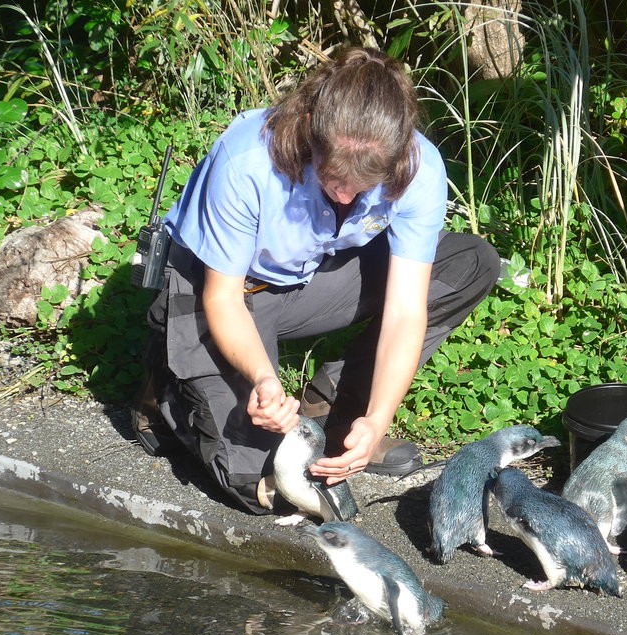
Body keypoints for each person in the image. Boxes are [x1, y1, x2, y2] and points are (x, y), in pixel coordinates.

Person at [133, 47, 499, 514]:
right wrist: (264, 380)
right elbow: (221, 297)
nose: (345, 193)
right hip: (223, 291)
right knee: (270, 484)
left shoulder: (418, 167)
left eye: (363, 186)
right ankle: (166, 383)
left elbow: (407, 309)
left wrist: (376, 418)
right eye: (332, 177)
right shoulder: (247, 160)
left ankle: (336, 413)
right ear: (310, 127)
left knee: (470, 262)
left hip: (312, 278)